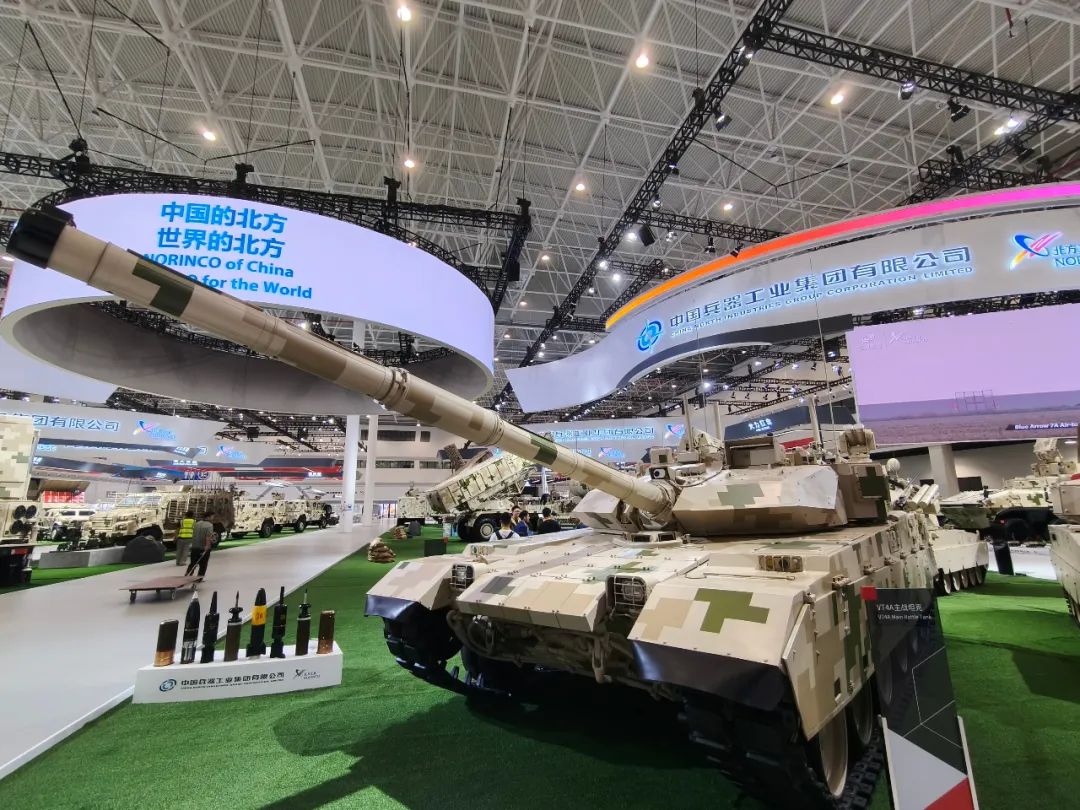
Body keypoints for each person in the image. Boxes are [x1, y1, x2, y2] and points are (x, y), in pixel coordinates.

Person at [185, 512, 215, 578]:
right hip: (203, 547)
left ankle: (187, 574)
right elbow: (208, 536)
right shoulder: (209, 525)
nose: (213, 518)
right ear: (208, 517)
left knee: (193, 563)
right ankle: (200, 577)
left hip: (194, 546)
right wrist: (207, 546)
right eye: (212, 516)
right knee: (203, 564)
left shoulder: (197, 524)